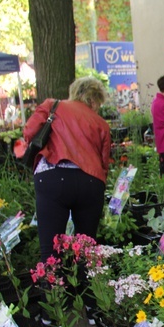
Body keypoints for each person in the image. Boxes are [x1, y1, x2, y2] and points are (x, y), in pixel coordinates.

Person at [23, 77, 111, 264]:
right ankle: (85, 289)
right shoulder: (101, 123)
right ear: (94, 100)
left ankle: (54, 291)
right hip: (90, 181)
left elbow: (29, 132)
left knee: (50, 252)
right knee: (86, 250)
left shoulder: (52, 106)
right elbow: (104, 163)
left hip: (52, 176)